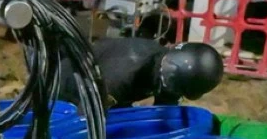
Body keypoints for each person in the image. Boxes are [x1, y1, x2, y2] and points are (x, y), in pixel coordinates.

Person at [60, 39, 224, 109]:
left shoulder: (166, 67)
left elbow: (165, 109)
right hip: (69, 86)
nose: (175, 93)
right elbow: (87, 122)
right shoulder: (124, 74)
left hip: (107, 91)